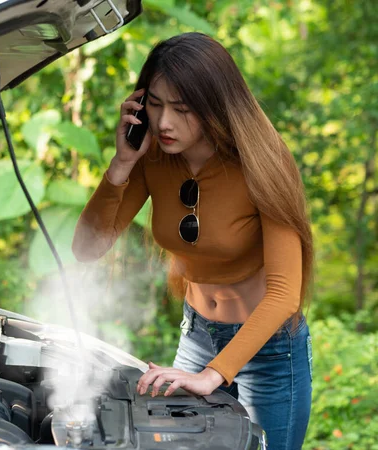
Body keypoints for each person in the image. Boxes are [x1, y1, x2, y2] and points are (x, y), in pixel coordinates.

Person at [71, 33, 314, 450]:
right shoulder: (151, 157)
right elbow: (87, 250)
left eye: (182, 109)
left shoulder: (263, 160)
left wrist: (213, 375)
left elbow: (284, 294)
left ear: (215, 108)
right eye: (156, 103)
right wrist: (120, 166)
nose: (164, 122)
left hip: (269, 353)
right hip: (198, 336)